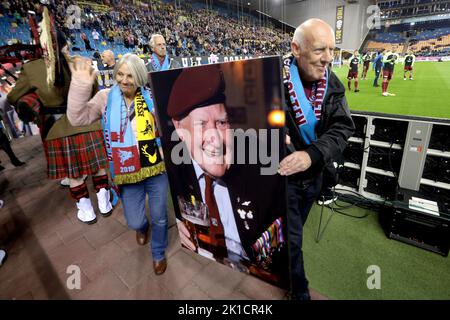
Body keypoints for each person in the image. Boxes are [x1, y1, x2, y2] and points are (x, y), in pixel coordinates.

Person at [164, 65, 288, 286]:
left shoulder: (266, 165)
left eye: (221, 122)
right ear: (179, 128)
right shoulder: (174, 168)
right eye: (201, 124)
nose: (216, 138)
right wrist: (176, 219)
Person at [66, 53, 169, 275]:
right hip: (126, 172)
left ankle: (158, 253)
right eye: (120, 74)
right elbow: (77, 118)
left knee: (160, 216)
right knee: (134, 220)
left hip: (155, 168)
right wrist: (81, 85)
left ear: (140, 77)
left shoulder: (153, 96)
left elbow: (168, 127)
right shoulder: (105, 97)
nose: (123, 80)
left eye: (130, 75)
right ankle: (142, 227)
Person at [7, 9, 112, 225]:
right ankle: (104, 202)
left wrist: (37, 96)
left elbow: (13, 97)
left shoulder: (31, 68)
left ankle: (86, 210)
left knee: (74, 174)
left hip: (57, 129)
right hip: (88, 124)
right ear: (64, 44)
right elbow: (93, 90)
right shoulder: (80, 61)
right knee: (99, 166)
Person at [280, 18, 355, 300]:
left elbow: (343, 127)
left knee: (293, 234)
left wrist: (312, 155)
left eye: (332, 50)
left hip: (314, 178)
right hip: (283, 181)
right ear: (296, 49)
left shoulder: (332, 83)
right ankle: (299, 292)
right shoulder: (272, 81)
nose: (328, 59)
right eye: (319, 50)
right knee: (293, 240)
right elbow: (250, 125)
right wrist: (273, 136)